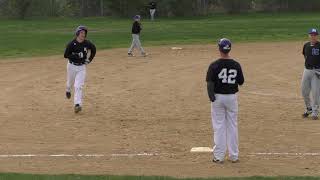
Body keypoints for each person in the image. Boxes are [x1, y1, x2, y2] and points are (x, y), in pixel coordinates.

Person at [206, 38, 244, 164]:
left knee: (219, 127)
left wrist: (211, 97)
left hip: (218, 97)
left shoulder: (214, 65)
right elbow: (241, 82)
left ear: (219, 48)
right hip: (231, 97)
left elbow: (210, 83)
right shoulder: (236, 64)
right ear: (229, 49)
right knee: (232, 126)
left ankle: (219, 156)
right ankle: (234, 156)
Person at [64, 25, 96, 113]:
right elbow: (66, 55)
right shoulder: (72, 44)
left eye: (84, 33)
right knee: (70, 83)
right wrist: (76, 55)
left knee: (78, 86)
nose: (83, 34)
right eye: (81, 33)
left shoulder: (87, 43)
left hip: (82, 67)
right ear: (77, 33)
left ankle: (77, 104)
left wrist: (89, 60)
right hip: (71, 66)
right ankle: (68, 89)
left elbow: (94, 50)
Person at [301, 28, 320, 120]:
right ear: (309, 35)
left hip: (317, 72)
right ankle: (309, 108)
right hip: (307, 71)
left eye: (315, 35)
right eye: (311, 35)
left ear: (317, 36)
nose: (313, 36)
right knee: (304, 91)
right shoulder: (306, 45)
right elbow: (305, 56)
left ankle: (315, 112)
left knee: (316, 93)